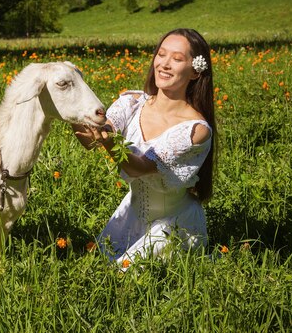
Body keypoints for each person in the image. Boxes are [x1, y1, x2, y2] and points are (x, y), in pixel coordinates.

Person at [73, 28, 216, 266]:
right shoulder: (133, 102)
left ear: (195, 72)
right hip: (130, 215)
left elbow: (138, 168)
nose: (165, 64)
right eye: (161, 55)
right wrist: (68, 98)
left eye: (177, 59)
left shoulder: (195, 130)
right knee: (96, 268)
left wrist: (109, 143)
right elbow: (90, 140)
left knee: (124, 276)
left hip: (173, 225)